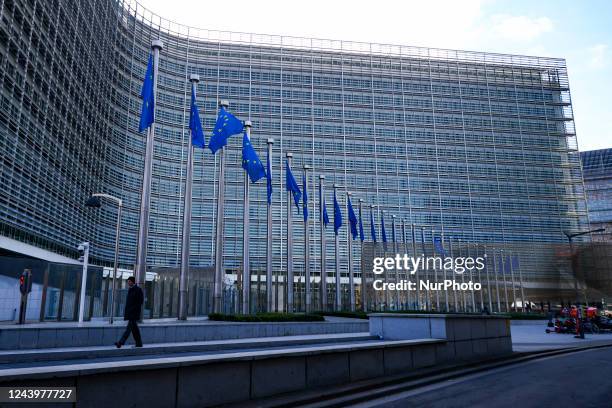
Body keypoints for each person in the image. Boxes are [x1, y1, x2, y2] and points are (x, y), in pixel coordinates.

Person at [115, 276, 144, 348]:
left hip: (134, 313)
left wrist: (133, 310)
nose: (128, 283)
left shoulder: (138, 290)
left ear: (132, 282)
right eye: (128, 281)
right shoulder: (130, 289)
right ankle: (139, 343)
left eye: (129, 281)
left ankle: (120, 342)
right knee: (135, 330)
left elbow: (140, 301)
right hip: (130, 312)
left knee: (128, 329)